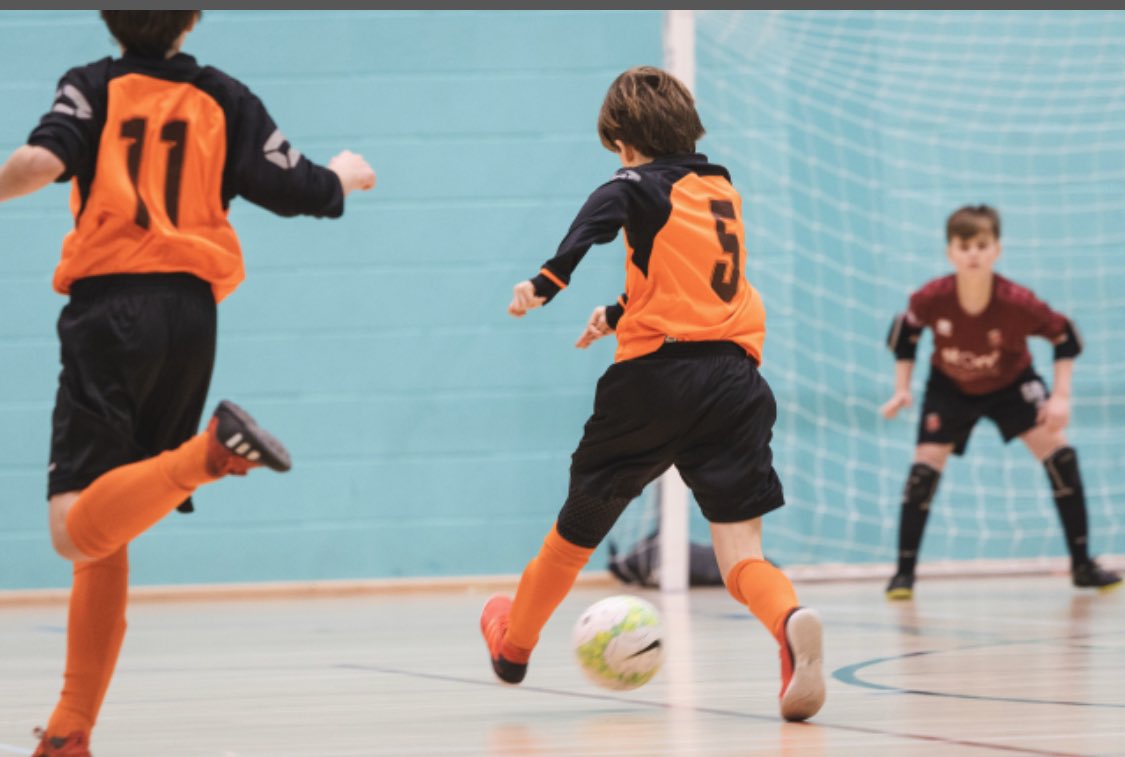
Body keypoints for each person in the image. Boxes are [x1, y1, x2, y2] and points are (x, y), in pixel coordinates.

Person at [0, 11, 376, 756]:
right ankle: (71, 730)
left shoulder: (92, 86)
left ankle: (209, 453)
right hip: (190, 315)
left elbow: (41, 163)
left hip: (111, 310)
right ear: (194, 17)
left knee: (72, 525)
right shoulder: (223, 96)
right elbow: (294, 185)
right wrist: (342, 175)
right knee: (107, 538)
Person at [479, 66, 826, 723]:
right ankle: (788, 619)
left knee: (575, 529)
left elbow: (590, 229)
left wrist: (542, 285)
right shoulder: (719, 187)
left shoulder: (630, 183)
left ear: (622, 143)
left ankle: (513, 645)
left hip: (654, 382)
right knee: (739, 554)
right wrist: (615, 311)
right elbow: (685, 276)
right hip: (735, 380)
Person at [881, 204, 1121, 600]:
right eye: (964, 245)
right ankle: (903, 574)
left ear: (996, 249)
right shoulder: (932, 297)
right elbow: (904, 334)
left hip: (1012, 384)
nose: (973, 253)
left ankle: (1082, 566)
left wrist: (1060, 397)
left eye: (981, 244)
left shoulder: (1017, 301)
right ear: (950, 252)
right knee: (923, 472)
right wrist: (901, 389)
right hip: (950, 387)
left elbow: (1067, 338)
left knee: (1061, 459)